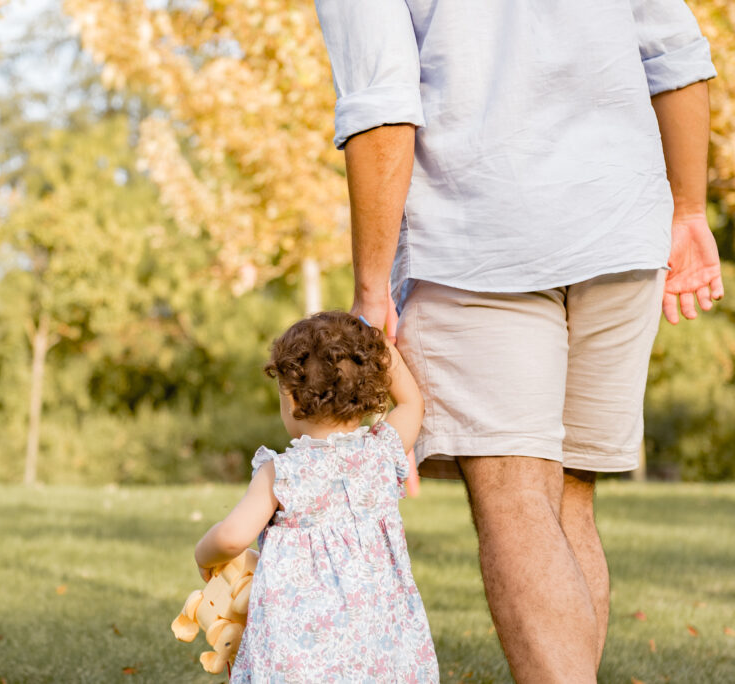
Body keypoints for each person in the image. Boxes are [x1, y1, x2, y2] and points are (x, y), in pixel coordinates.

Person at [313, 0, 723, 681]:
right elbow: (674, 49)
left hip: (482, 235)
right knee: (565, 498)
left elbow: (383, 106)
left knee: (515, 496)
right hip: (621, 222)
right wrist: (688, 211)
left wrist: (370, 291)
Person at [194, 311, 439, 682]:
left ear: (291, 399)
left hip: (299, 651)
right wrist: (377, 346)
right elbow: (411, 403)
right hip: (380, 640)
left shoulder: (281, 472)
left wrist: (203, 554)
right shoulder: (381, 453)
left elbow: (231, 538)